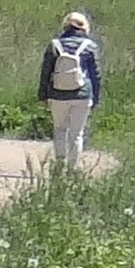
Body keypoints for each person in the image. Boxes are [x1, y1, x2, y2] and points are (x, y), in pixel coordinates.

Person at [39, 11, 103, 169]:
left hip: (57, 94)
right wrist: (95, 97)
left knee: (60, 130)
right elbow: (96, 75)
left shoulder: (55, 45)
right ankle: (72, 169)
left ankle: (59, 165)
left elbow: (46, 72)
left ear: (65, 25)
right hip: (82, 95)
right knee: (77, 133)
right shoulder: (90, 47)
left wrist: (43, 95)